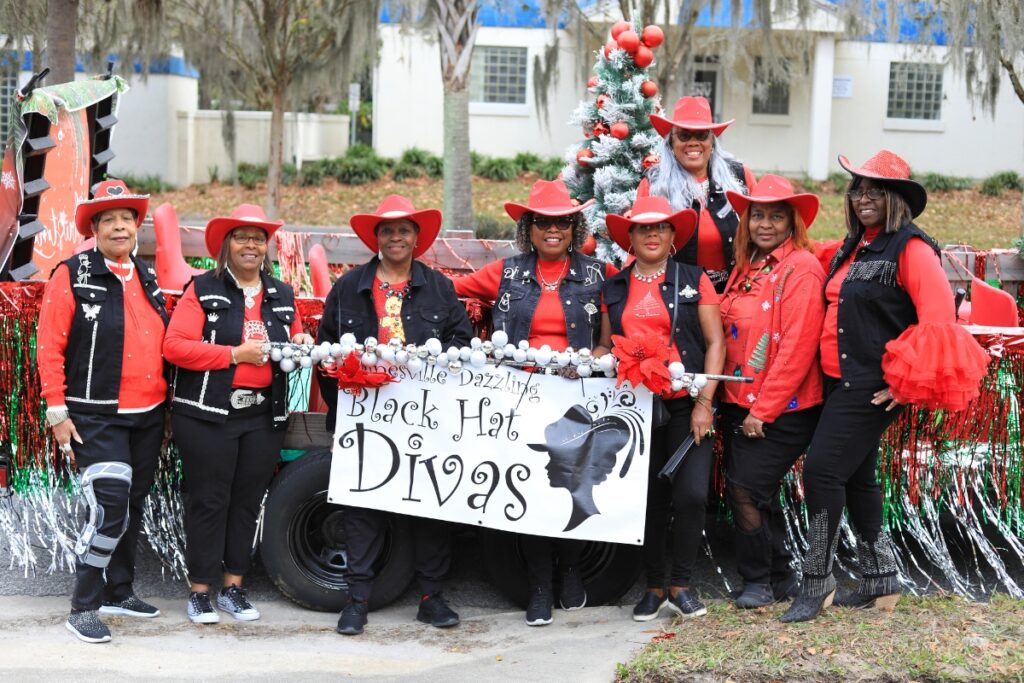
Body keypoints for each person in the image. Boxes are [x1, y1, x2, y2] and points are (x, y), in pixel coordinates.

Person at [780, 150, 989, 622]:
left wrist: (904, 387)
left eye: (876, 191)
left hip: (870, 386)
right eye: (857, 190)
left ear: (897, 199)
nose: (863, 198)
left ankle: (817, 580)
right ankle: (880, 580)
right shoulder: (855, 247)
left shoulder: (911, 249)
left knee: (821, 473)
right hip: (837, 380)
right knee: (858, 478)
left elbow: (939, 320)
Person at [454, 179, 617, 627]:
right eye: (543, 222)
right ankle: (541, 585)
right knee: (529, 489)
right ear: (529, 228)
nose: (553, 230)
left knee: (572, 483)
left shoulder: (598, 274)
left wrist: (590, 359)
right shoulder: (506, 273)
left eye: (562, 222)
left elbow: (615, 331)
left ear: (574, 227)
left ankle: (572, 569)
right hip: (520, 398)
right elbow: (450, 293)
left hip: (577, 398)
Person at [317, 195, 473, 636]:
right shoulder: (349, 287)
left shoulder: (439, 287)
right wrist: (345, 410)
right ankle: (357, 601)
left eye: (404, 229)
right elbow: (326, 351)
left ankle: (431, 598)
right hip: (364, 418)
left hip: (425, 417)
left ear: (416, 237)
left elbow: (462, 344)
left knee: (430, 505)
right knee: (361, 508)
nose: (396, 237)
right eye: (387, 230)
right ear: (377, 238)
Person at [163, 204, 313, 625]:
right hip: (209, 413)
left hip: (264, 415)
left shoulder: (282, 294)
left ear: (266, 247)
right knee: (209, 500)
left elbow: (293, 337)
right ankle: (200, 591)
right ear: (226, 245)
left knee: (248, 502)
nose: (251, 244)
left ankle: (233, 588)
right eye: (242, 237)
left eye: (258, 238)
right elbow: (174, 346)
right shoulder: (203, 288)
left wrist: (301, 339)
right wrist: (233, 355)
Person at [37, 179, 169, 643]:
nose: (119, 227)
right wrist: (57, 412)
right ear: (94, 230)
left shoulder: (146, 276)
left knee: (132, 504)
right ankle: (84, 606)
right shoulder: (71, 274)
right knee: (110, 507)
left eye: (126, 218)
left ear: (137, 227)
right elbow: (49, 346)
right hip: (96, 415)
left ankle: (119, 590)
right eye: (108, 219)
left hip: (149, 414)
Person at [595, 195, 726, 621]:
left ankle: (681, 585)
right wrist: (589, 361)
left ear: (673, 236)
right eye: (643, 228)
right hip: (636, 408)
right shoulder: (614, 287)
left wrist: (705, 402)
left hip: (687, 405)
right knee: (648, 498)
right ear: (630, 237)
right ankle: (653, 587)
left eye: (661, 227)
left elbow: (716, 343)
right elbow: (605, 343)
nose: (652, 234)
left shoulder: (694, 279)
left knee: (691, 495)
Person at [716, 175, 825, 608]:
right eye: (757, 215)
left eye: (776, 217)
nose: (765, 224)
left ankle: (758, 580)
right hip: (739, 401)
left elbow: (798, 347)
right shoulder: (749, 265)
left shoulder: (801, 267)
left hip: (782, 407)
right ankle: (780, 578)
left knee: (744, 489)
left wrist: (764, 410)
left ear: (792, 222)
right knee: (756, 491)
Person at [637, 96, 755, 292]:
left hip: (735, 292)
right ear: (671, 143)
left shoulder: (739, 177)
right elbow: (639, 244)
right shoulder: (653, 185)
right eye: (684, 135)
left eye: (701, 135)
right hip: (676, 296)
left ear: (712, 141)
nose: (693, 143)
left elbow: (763, 232)